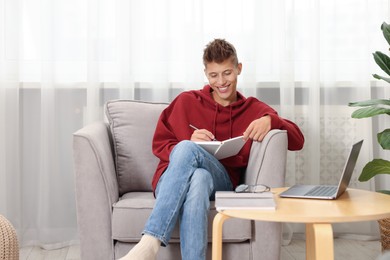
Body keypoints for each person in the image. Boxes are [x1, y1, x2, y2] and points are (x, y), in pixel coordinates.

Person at [119, 39, 304, 260]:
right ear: (206, 74)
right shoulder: (186, 101)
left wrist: (271, 120)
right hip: (170, 179)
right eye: (214, 75)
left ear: (239, 69)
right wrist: (188, 144)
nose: (221, 82)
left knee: (194, 158)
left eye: (227, 73)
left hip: (222, 181)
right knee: (198, 175)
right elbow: (160, 145)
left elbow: (298, 140)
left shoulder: (253, 109)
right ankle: (161, 247)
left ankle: (150, 242)